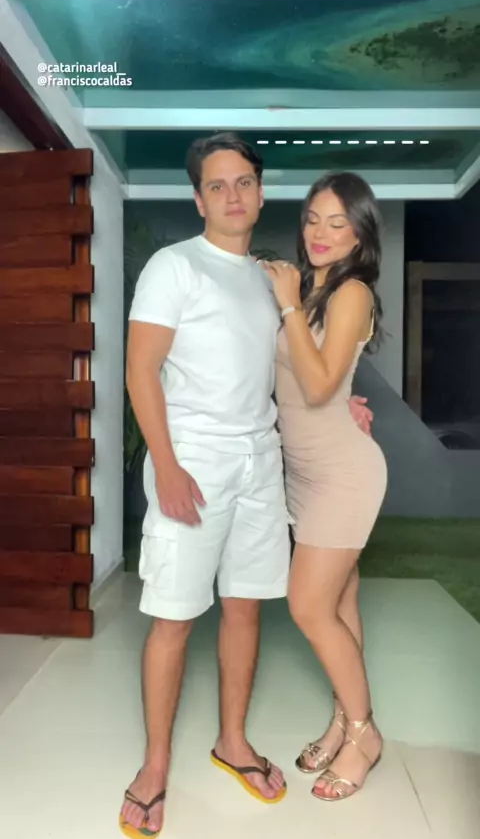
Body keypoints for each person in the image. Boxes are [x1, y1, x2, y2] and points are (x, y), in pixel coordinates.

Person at [119, 133, 373, 838]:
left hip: (262, 463)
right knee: (173, 616)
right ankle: (154, 767)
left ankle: (232, 742)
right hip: (192, 464)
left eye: (244, 182)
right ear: (199, 199)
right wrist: (165, 464)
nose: (232, 195)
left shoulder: (274, 279)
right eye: (217, 184)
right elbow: (141, 370)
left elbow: (293, 367)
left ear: (260, 193)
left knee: (244, 608)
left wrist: (344, 401)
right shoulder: (174, 267)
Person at [264, 172, 388, 802]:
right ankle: (341, 721)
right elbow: (298, 382)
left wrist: (287, 304)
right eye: (313, 218)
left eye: (338, 223)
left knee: (308, 607)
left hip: (342, 472)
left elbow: (316, 386)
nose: (320, 232)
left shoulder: (351, 292)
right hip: (303, 471)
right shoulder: (306, 288)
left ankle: (364, 734)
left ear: (360, 234)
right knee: (339, 604)